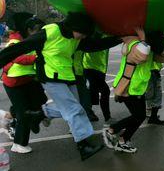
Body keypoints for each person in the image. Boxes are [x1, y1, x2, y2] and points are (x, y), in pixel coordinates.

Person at [0, 12, 125, 160]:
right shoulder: (50, 31)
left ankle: (40, 113)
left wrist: (118, 39)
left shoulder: (76, 37)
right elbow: (19, 48)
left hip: (67, 76)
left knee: (76, 107)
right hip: (50, 77)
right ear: (73, 27)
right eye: (83, 33)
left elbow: (94, 45)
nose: (84, 37)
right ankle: (83, 146)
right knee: (74, 110)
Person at [103, 31, 164, 153]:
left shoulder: (147, 47)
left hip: (137, 88)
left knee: (139, 116)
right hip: (128, 88)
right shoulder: (135, 44)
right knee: (139, 116)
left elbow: (163, 58)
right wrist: (143, 38)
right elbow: (141, 56)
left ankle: (122, 141)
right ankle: (112, 130)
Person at [2, 14, 47, 154]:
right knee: (24, 114)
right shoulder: (15, 43)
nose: (38, 32)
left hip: (27, 81)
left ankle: (9, 117)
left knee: (40, 101)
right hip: (14, 84)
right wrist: (37, 58)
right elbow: (19, 58)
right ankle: (19, 143)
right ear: (26, 29)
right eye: (35, 30)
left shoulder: (29, 40)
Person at [145, 40, 164, 125]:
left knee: (151, 95)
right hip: (152, 71)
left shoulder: (147, 40)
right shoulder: (157, 40)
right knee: (155, 95)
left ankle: (151, 115)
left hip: (151, 71)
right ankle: (152, 116)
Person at [83, 44, 111, 123]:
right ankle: (107, 118)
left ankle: (89, 112)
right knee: (105, 91)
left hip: (100, 68)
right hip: (90, 67)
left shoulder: (107, 34)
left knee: (91, 92)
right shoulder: (95, 34)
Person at [74, 50, 98, 122]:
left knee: (82, 95)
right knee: (83, 95)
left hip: (77, 72)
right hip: (75, 72)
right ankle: (86, 114)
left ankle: (86, 113)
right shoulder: (77, 43)